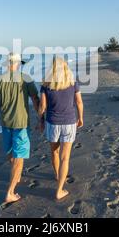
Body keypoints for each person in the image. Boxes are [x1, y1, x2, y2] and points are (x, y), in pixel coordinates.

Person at [0, 53, 39, 204]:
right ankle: (10, 192)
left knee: (11, 153)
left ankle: (17, 175)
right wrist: (41, 117)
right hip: (21, 123)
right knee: (18, 158)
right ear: (17, 64)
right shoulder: (26, 78)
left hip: (5, 123)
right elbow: (35, 99)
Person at [38, 57, 84, 200]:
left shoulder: (46, 85)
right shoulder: (72, 83)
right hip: (69, 122)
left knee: (54, 152)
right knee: (65, 158)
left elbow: (42, 107)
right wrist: (81, 118)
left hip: (52, 123)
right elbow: (79, 102)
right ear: (65, 68)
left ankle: (58, 175)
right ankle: (59, 189)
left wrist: (40, 120)